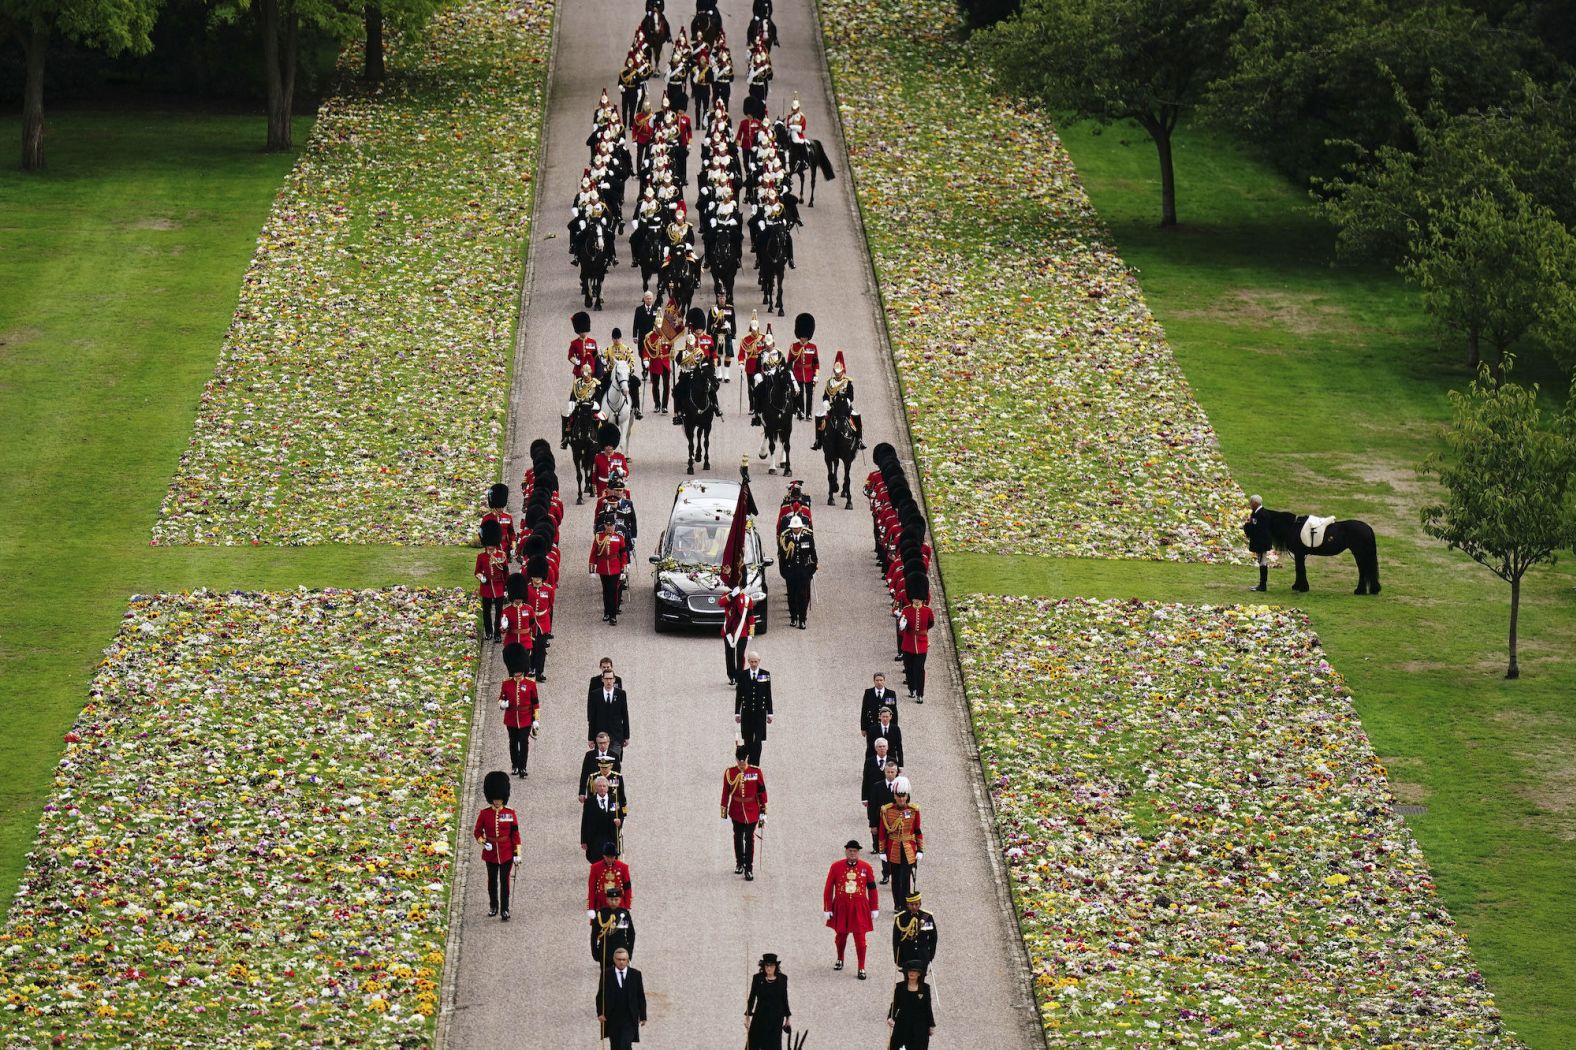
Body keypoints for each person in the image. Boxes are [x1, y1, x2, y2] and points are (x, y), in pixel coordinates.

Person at [823, 839, 880, 979]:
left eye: (855, 851)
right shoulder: (836, 867)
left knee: (860, 940)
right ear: (846, 852)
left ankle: (861, 967)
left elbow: (872, 889)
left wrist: (874, 907)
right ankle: (840, 958)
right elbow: (829, 888)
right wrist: (827, 907)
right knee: (840, 937)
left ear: (858, 852)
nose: (852, 853)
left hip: (859, 907)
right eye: (850, 851)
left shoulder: (866, 867)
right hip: (842, 907)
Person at [473, 771, 521, 920]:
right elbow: (477, 832)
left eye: (500, 799)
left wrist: (517, 853)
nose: (498, 802)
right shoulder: (484, 813)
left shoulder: (510, 813)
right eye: (495, 799)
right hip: (491, 852)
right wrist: (483, 842)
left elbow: (515, 834)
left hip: (506, 851)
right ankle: (493, 906)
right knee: (492, 881)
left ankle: (505, 909)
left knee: (505, 881)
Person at [721, 744, 768, 879]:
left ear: (747, 758)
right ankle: (739, 863)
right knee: (737, 837)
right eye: (739, 761)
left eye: (743, 761)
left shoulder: (756, 772)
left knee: (749, 838)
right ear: (736, 759)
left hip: (752, 810)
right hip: (736, 810)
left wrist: (763, 813)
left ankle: (749, 868)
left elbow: (762, 793)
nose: (741, 764)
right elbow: (726, 791)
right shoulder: (730, 773)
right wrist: (724, 807)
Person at [878, 778, 923, 912]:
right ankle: (897, 904)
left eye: (904, 796)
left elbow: (917, 830)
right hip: (893, 848)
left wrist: (920, 849)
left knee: (906, 878)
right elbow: (882, 832)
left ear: (907, 796)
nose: (901, 799)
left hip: (908, 848)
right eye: (899, 796)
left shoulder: (914, 810)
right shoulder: (887, 810)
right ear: (894, 796)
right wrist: (882, 851)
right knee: (896, 879)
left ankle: (906, 904)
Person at [499, 643, 540, 777]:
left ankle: (523, 767)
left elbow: (535, 702)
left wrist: (536, 720)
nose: (516, 672)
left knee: (524, 742)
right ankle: (514, 765)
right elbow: (501, 699)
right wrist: (503, 704)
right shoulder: (506, 683)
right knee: (512, 742)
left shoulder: (530, 683)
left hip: (526, 717)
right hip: (511, 717)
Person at [596, 946, 648, 1050]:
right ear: (614, 960)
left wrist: (643, 1016)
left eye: (624, 959)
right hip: (612, 1017)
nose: (621, 962)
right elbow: (600, 995)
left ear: (628, 960)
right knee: (615, 1045)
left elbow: (640, 996)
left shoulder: (635, 974)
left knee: (625, 1043)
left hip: (629, 1016)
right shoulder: (607, 974)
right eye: (619, 959)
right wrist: (600, 1013)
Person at [812, 351, 865, 450]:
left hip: (845, 407)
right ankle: (818, 441)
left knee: (856, 416)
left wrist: (846, 403)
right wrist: (826, 403)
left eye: (839, 372)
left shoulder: (847, 382)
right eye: (836, 372)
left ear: (842, 371)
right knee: (818, 417)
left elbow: (851, 397)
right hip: (832, 407)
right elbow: (825, 396)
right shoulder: (830, 382)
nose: (837, 374)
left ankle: (859, 440)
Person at [744, 953, 792, 1049]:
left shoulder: (783, 979)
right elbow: (752, 997)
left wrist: (788, 1018)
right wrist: (747, 1016)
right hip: (760, 1016)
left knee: (773, 1044)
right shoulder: (757, 978)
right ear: (763, 966)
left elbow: (784, 998)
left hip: (776, 1018)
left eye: (771, 966)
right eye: (767, 965)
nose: (769, 968)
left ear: (776, 967)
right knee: (753, 1042)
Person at [864, 758, 901, 881]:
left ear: (896, 773)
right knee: (883, 848)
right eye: (888, 772)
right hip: (881, 824)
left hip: (897, 824)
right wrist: (872, 824)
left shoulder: (901, 787)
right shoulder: (877, 787)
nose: (890, 774)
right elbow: (872, 807)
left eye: (892, 772)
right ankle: (886, 873)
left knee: (896, 848)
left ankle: (896, 873)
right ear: (884, 772)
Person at [734, 649, 773, 765]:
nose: (754, 664)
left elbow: (768, 694)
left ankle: (755, 764)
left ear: (759, 661)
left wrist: (770, 712)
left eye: (756, 662)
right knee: (748, 740)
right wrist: (737, 712)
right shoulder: (742, 675)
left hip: (760, 714)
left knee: (758, 741)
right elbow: (739, 695)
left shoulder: (765, 675)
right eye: (752, 662)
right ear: (748, 661)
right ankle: (749, 763)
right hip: (747, 714)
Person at [897, 584, 935, 703]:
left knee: (919, 669)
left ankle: (920, 693)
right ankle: (911, 688)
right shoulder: (906, 610)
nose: (917, 600)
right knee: (908, 668)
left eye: (919, 598)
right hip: (908, 643)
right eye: (915, 598)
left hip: (922, 643)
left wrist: (923, 632)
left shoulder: (927, 611)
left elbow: (931, 623)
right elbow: (902, 626)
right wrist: (902, 625)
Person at [886, 960, 936, 1050]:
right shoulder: (900, 987)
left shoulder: (925, 988)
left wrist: (931, 1024)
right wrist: (890, 1017)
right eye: (909, 971)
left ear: (919, 974)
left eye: (914, 971)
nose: (911, 973)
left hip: (920, 1027)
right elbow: (895, 1004)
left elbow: (928, 1007)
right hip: (902, 1024)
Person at [779, 514, 817, 629]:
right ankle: (793, 617)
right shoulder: (786, 538)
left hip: (804, 572)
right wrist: (784, 572)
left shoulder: (807, 537)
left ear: (801, 527)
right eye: (793, 528)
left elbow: (813, 554)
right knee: (791, 596)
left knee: (803, 597)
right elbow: (782, 556)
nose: (795, 530)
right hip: (791, 573)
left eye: (797, 528)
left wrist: (811, 570)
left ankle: (802, 619)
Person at [590, 514, 629, 625]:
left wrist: (623, 569)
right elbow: (594, 553)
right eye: (607, 525)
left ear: (614, 525)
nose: (608, 527)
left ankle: (613, 616)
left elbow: (623, 555)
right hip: (603, 567)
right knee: (606, 591)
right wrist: (592, 568)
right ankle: (606, 612)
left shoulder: (619, 537)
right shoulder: (599, 536)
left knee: (613, 591)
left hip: (615, 568)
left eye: (611, 525)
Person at [474, 519, 509, 642]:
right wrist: (481, 577)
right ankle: (488, 632)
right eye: (488, 545)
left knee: (499, 612)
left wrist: (506, 588)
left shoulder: (501, 555)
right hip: (487, 587)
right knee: (486, 612)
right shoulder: (481, 557)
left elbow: (506, 573)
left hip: (499, 587)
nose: (489, 547)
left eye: (491, 544)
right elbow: (477, 571)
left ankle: (497, 633)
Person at [587, 667, 632, 756]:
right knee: (602, 765)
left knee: (615, 764)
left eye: (611, 678)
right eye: (606, 678)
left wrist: (626, 736)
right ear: (602, 679)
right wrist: (590, 738)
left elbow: (625, 715)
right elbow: (592, 717)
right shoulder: (595, 694)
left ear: (614, 680)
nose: (608, 681)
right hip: (600, 737)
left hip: (616, 736)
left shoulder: (621, 694)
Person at [582, 775, 626, 863]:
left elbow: (622, 814)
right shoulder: (589, 802)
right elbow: (584, 822)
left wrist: (620, 821)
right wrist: (583, 840)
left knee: (611, 861)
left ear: (607, 787)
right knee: (596, 861)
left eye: (604, 786)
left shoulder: (615, 800)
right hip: (595, 838)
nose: (602, 788)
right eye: (599, 786)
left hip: (611, 836)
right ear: (595, 788)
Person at [891, 892, 938, 970]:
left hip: (922, 956)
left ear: (920, 903)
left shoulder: (926, 917)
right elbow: (896, 940)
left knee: (921, 980)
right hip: (907, 956)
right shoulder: (901, 918)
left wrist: (930, 955)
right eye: (911, 904)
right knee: (908, 980)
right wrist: (897, 958)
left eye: (916, 904)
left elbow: (933, 937)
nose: (914, 907)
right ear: (907, 904)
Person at [591, 884, 636, 964]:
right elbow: (594, 935)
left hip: (621, 951)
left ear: (620, 900)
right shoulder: (601, 913)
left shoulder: (624, 913)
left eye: (616, 899)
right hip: (605, 951)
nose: (613, 902)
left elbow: (631, 934)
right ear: (607, 900)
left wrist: (629, 952)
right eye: (611, 899)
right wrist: (595, 953)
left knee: (621, 975)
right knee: (605, 976)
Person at [721, 584, 756, 684]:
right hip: (729, 630)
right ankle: (731, 676)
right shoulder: (727, 595)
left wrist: (751, 632)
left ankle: (739, 677)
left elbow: (750, 616)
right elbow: (720, 602)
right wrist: (732, 595)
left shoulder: (746, 599)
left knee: (740, 655)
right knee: (729, 654)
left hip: (742, 631)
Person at [562, 363, 602, 449]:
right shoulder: (577, 383)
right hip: (579, 406)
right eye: (584, 374)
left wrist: (594, 405)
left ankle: (601, 442)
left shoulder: (596, 383)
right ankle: (566, 438)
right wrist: (571, 408)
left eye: (587, 374)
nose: (586, 377)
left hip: (592, 407)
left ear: (590, 374)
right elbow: (573, 396)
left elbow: (599, 398)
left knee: (602, 420)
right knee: (568, 418)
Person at [588, 841, 633, 914]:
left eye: (612, 857)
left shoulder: (623, 867)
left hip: (619, 905)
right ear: (603, 856)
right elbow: (592, 889)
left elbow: (627, 888)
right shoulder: (595, 868)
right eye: (607, 857)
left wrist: (627, 906)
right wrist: (591, 908)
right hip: (601, 905)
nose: (610, 860)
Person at [789, 312, 819, 419]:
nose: (803, 338)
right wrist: (791, 375)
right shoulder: (794, 347)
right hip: (798, 373)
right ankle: (801, 411)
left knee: (809, 395)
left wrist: (816, 375)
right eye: (802, 336)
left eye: (805, 337)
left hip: (809, 373)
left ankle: (809, 413)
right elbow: (789, 362)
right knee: (800, 393)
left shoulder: (813, 347)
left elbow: (816, 363)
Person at [579, 731, 620, 801]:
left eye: (605, 743)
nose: (603, 745)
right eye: (600, 743)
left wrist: (617, 794)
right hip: (593, 791)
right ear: (596, 743)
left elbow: (617, 775)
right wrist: (582, 793)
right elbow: (584, 774)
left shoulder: (614, 756)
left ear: (608, 742)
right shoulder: (589, 755)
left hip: (609, 791)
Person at [1244, 493, 1271, 591]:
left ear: (1255, 503)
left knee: (1262, 562)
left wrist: (1247, 527)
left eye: (1251, 503)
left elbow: (1258, 529)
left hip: (1261, 543)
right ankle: (1262, 584)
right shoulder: (1257, 513)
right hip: (1261, 542)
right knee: (1261, 562)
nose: (1250, 505)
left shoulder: (1261, 514)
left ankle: (1262, 585)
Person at [860, 672, 899, 738]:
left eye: (881, 680)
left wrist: (894, 728)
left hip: (886, 726)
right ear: (874, 681)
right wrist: (863, 728)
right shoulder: (868, 693)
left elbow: (893, 711)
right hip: (871, 726)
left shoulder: (890, 694)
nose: (879, 682)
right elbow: (864, 710)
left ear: (884, 681)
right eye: (877, 680)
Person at [568, 310, 600, 376]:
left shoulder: (592, 342)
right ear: (578, 331)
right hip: (579, 370)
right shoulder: (574, 343)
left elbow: (595, 356)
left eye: (584, 331)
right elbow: (570, 356)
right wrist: (576, 362)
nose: (583, 333)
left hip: (591, 370)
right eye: (581, 332)